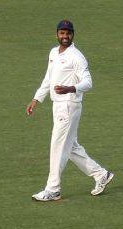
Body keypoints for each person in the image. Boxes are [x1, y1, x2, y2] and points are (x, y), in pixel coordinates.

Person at [26, 19, 114, 202]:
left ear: (73, 35)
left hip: (68, 105)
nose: (65, 36)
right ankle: (101, 175)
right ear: (57, 34)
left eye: (68, 33)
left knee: (57, 146)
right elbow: (48, 78)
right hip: (57, 105)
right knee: (71, 147)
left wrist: (70, 88)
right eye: (62, 33)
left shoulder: (77, 56)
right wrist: (36, 99)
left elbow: (88, 82)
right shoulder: (53, 53)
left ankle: (53, 189)